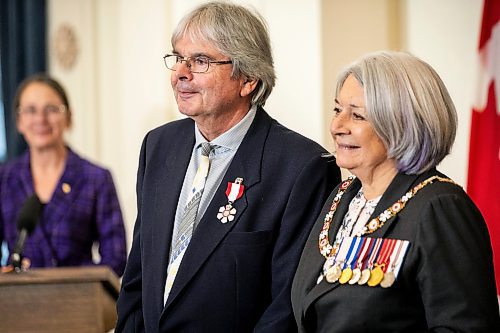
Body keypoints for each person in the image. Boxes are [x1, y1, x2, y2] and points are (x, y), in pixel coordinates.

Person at [116, 1, 341, 332]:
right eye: (178, 57)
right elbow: (138, 273)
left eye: (200, 61)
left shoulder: (302, 167)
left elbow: (287, 306)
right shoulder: (158, 146)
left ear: (247, 79)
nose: (180, 73)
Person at [291, 51, 500, 332]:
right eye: (337, 110)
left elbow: (465, 327)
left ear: (400, 124)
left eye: (357, 115)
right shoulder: (342, 196)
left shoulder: (439, 206)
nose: (337, 126)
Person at [0, 73, 127, 277]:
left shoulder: (96, 178)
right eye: (30, 110)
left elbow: (116, 258)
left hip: (78, 301)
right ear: (19, 121)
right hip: (19, 301)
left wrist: (69, 279)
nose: (41, 119)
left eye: (51, 109)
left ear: (68, 118)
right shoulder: (4, 178)